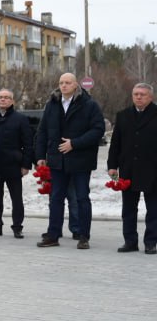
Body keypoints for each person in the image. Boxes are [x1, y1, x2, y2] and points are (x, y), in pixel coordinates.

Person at [35, 73, 106, 249]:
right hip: (57, 160)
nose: (64, 86)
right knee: (56, 198)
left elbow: (98, 130)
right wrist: (40, 156)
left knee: (82, 197)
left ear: (76, 85)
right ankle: (53, 235)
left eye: (67, 83)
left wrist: (74, 143)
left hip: (81, 160)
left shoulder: (89, 104)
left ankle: (83, 236)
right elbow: (42, 131)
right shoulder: (52, 104)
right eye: (61, 83)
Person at [107, 82, 157, 254]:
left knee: (154, 210)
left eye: (142, 94)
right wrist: (112, 166)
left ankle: (151, 242)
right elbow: (115, 143)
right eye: (136, 94)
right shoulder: (123, 115)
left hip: (152, 170)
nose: (139, 97)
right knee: (128, 209)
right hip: (129, 169)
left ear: (150, 97)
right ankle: (130, 241)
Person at [0, 88, 32, 238]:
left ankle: (17, 227)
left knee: (16, 198)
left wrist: (26, 165)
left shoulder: (20, 119)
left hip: (14, 165)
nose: (3, 100)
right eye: (0, 97)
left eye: (6, 97)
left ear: (12, 101)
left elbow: (28, 144)